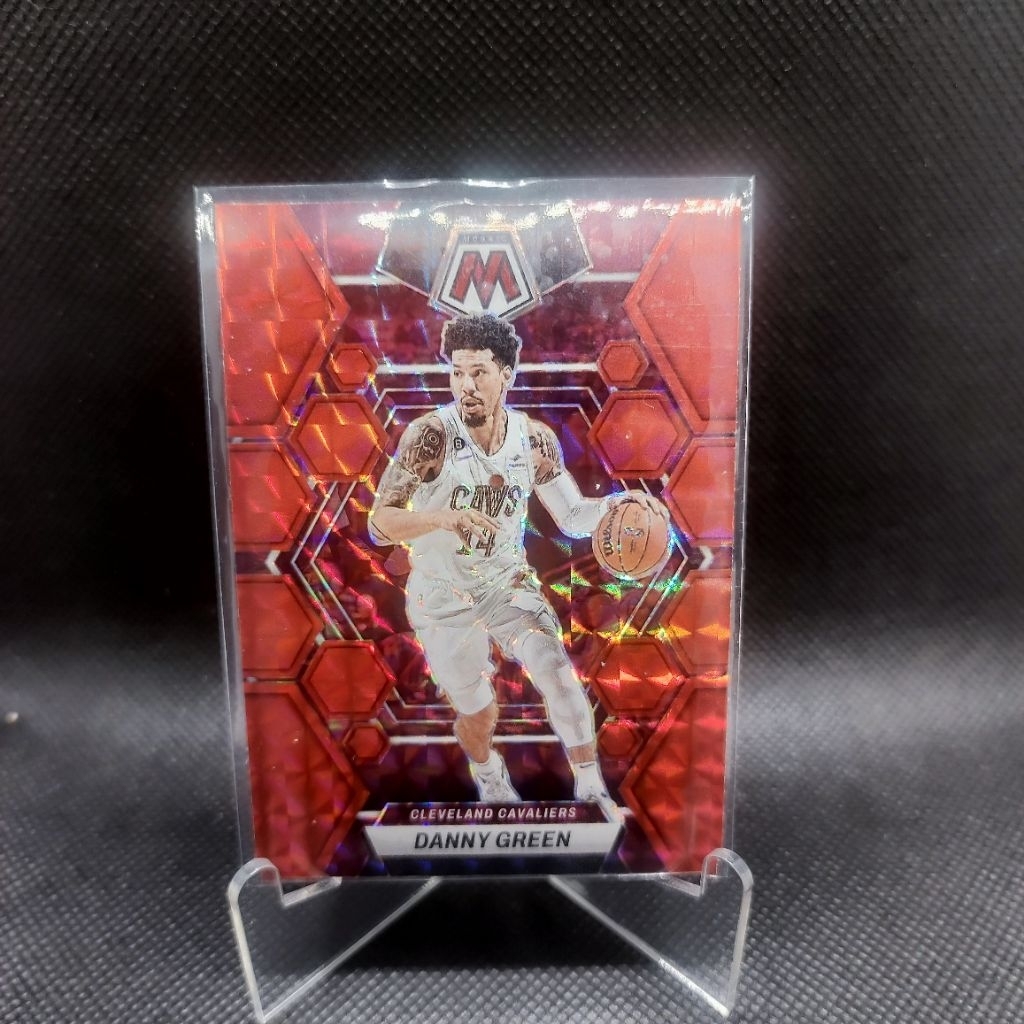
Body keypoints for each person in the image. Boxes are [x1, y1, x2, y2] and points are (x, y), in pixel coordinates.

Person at [368, 314, 666, 806]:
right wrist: (444, 517)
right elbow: (379, 525)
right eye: (457, 373)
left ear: (506, 374)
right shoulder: (430, 436)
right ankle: (488, 773)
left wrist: (618, 505)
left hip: (505, 583)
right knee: (479, 715)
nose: (466, 386)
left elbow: (572, 516)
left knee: (556, 669)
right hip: (442, 595)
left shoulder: (533, 440)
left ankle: (592, 789)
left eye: (478, 373)